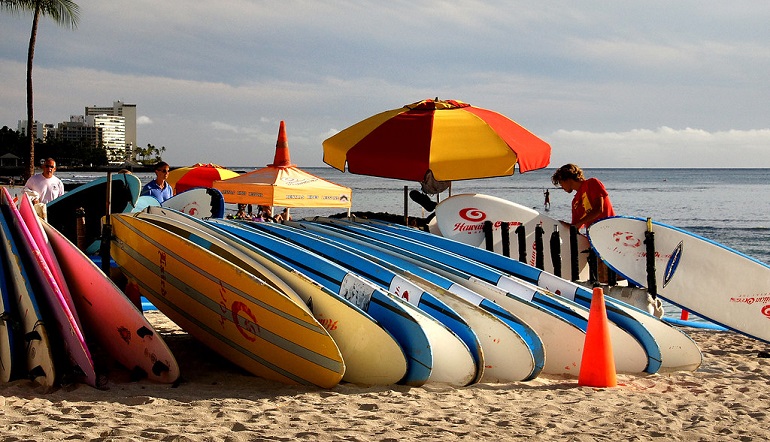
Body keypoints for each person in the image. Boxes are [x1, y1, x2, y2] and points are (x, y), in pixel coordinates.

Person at [550, 163, 615, 230]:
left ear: (568, 178)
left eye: (561, 183)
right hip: (594, 236)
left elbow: (598, 209)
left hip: (610, 230)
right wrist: (561, 224)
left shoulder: (592, 183)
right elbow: (575, 227)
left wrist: (577, 224)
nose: (562, 187)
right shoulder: (575, 202)